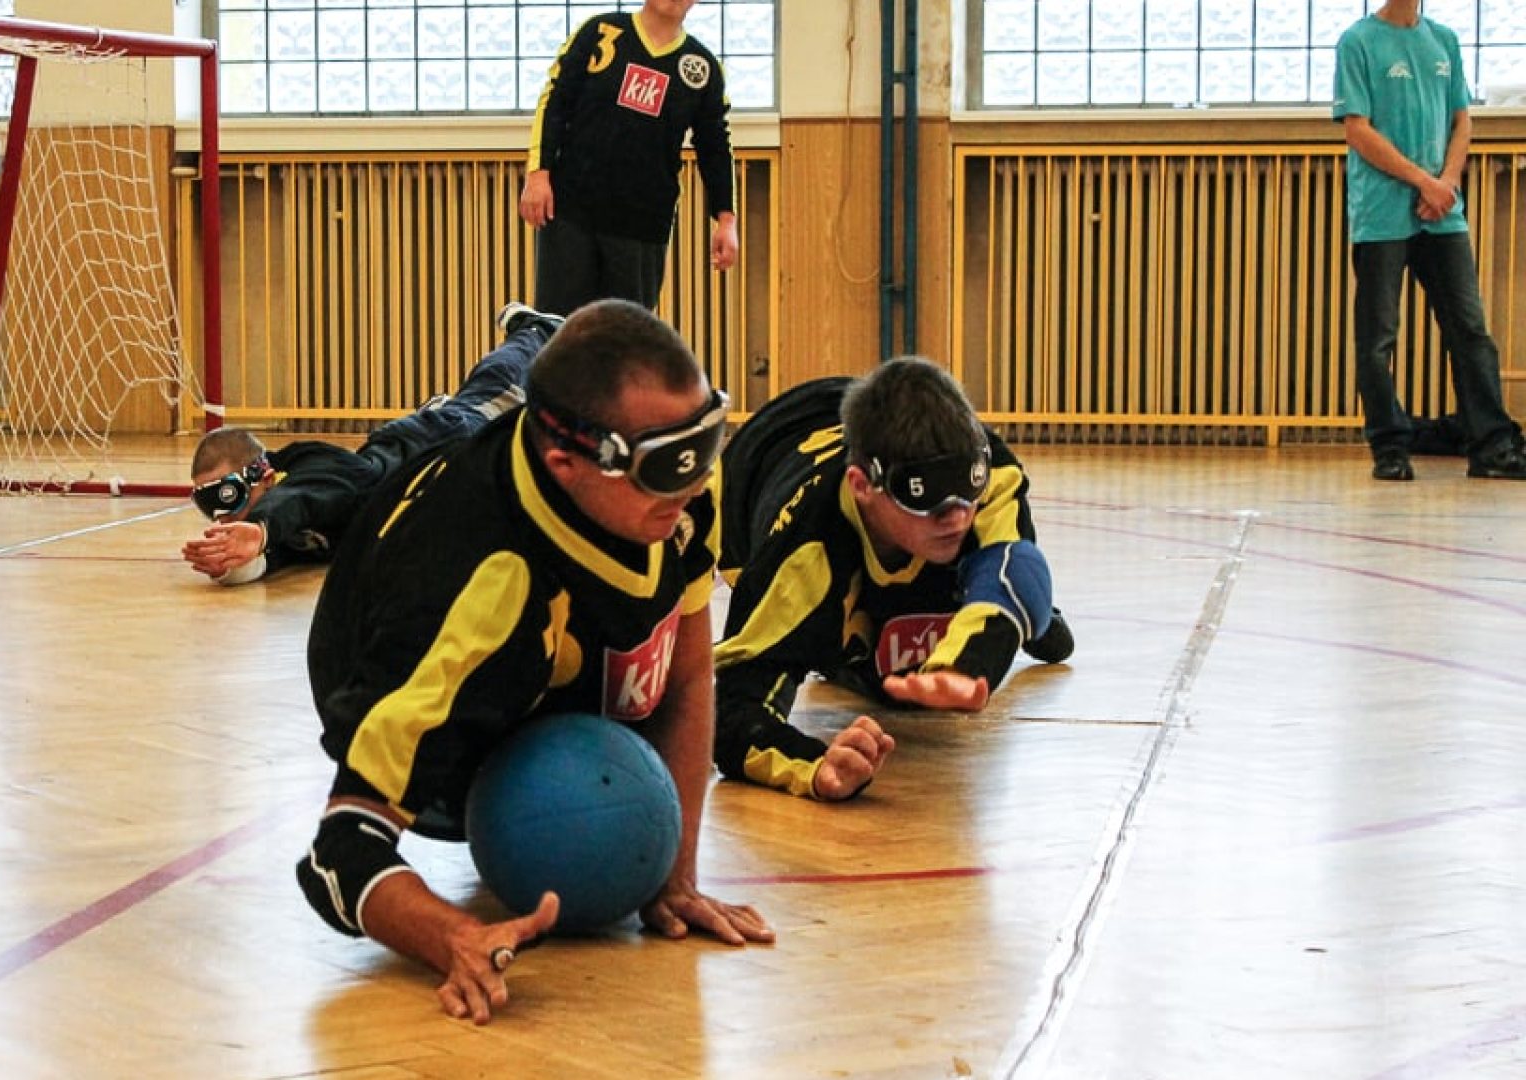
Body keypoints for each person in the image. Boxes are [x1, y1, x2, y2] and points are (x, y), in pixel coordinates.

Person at [296, 299, 773, 1023]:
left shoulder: (676, 490)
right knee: (522, 648)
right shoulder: (471, 597)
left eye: (708, 441)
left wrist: (675, 878)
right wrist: (452, 935)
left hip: (545, 639)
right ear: (567, 460)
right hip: (408, 666)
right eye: (672, 461)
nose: (698, 480)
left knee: (619, 673)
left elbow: (686, 671)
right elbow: (339, 855)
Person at [711, 360, 1075, 802]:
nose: (957, 514)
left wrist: (975, 657)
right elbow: (733, 717)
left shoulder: (991, 469)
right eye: (923, 495)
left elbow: (1015, 562)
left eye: (968, 486)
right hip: (757, 464)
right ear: (863, 486)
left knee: (1020, 585)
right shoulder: (800, 557)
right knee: (859, 663)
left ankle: (1030, 621)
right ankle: (845, 651)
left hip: (868, 434)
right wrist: (814, 765)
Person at [181, 305, 561, 585]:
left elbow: (306, 496)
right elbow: (273, 557)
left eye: (227, 497)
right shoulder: (282, 526)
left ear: (261, 473)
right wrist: (230, 563)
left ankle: (535, 329)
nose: (222, 518)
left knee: (496, 387)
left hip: (442, 440)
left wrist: (261, 528)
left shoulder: (312, 466)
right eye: (208, 507)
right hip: (442, 493)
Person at [1334, 1, 1526, 482]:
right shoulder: (1358, 41)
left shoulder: (1444, 40)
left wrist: (1447, 182)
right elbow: (1358, 129)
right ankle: (1389, 446)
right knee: (1379, 336)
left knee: (1470, 329)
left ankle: (1492, 445)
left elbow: (1462, 119)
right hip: (1382, 212)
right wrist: (1423, 180)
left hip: (1441, 212)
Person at [518, 0, 736, 315]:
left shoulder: (702, 67)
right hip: (572, 212)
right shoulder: (600, 31)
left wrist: (726, 219)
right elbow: (555, 99)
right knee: (559, 332)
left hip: (643, 225)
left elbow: (715, 145)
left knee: (626, 339)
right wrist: (539, 173)